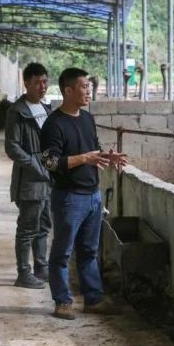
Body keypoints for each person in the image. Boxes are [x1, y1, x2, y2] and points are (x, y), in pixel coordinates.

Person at [40, 67, 127, 320]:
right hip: (68, 197)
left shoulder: (87, 119)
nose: (88, 91)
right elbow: (49, 162)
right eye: (83, 87)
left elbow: (93, 151)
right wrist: (84, 158)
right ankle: (62, 302)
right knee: (63, 252)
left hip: (92, 194)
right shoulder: (54, 124)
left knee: (89, 250)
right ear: (68, 90)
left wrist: (105, 156)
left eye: (89, 87)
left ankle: (94, 299)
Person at [4, 63, 53, 289]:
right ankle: (24, 272)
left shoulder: (46, 108)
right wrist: (36, 166)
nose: (42, 87)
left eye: (45, 81)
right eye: (37, 83)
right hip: (30, 180)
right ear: (26, 83)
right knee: (27, 228)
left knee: (43, 225)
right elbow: (12, 147)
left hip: (48, 178)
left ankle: (41, 268)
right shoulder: (18, 112)